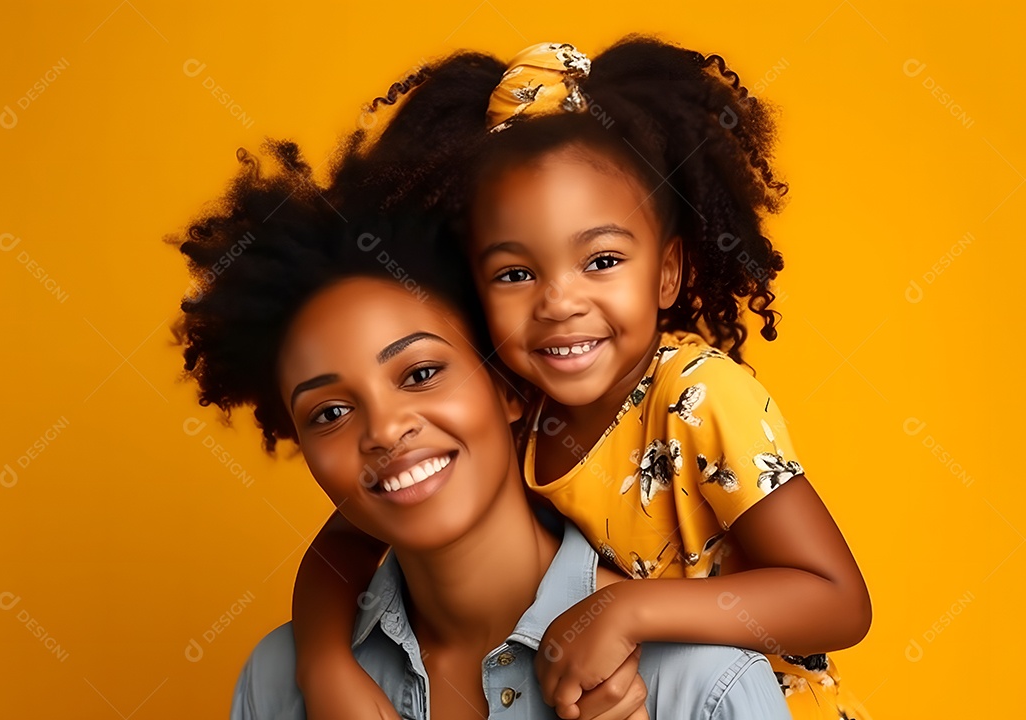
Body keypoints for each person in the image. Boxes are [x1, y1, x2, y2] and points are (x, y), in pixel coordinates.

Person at [291, 37, 874, 720]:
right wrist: (325, 665)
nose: (559, 303)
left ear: (666, 272)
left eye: (600, 261)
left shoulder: (700, 396)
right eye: (515, 274)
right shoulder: (516, 403)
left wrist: (628, 610)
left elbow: (838, 600)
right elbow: (347, 541)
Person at [168, 147, 792, 719]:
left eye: (421, 373)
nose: (384, 430)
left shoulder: (699, 681)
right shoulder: (281, 681)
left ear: (509, 386)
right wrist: (323, 666)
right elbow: (339, 544)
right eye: (329, 413)